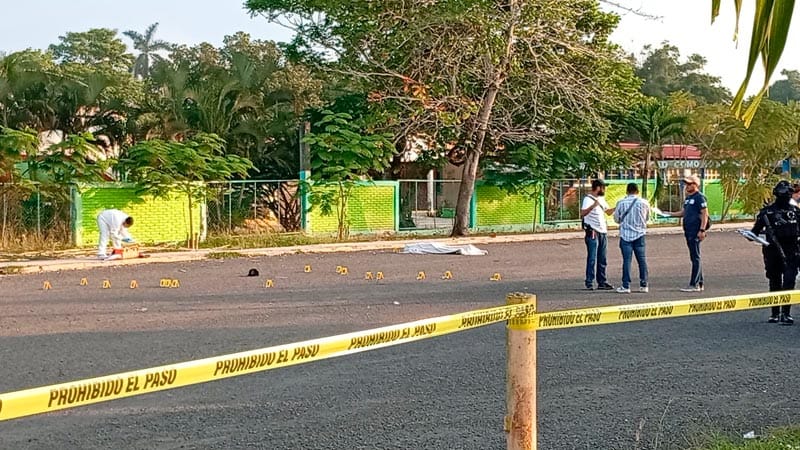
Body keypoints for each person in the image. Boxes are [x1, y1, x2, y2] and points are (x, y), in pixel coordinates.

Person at [750, 180, 800, 325]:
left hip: (792, 251)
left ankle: (786, 313)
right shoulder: (767, 213)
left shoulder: (795, 212)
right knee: (775, 281)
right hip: (773, 250)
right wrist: (755, 238)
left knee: (789, 281)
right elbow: (755, 232)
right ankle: (775, 313)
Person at [663, 175, 709, 292]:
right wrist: (668, 214)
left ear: (695, 184)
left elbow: (705, 214)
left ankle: (694, 284)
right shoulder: (688, 198)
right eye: (686, 184)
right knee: (694, 257)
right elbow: (684, 212)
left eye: (689, 184)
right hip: (688, 230)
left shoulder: (700, 197)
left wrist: (702, 230)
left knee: (696, 257)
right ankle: (700, 282)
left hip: (695, 230)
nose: (687, 186)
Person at [613, 183, 650, 294]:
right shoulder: (644, 203)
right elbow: (647, 217)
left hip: (625, 235)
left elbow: (616, 219)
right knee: (642, 260)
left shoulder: (621, 203)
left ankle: (626, 285)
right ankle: (644, 285)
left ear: (627, 191)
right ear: (637, 191)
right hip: (640, 234)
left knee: (627, 261)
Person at [580, 179, 616, 290]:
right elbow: (582, 213)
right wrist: (593, 206)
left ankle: (602, 281)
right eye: (603, 187)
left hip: (603, 232)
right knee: (592, 258)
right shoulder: (588, 199)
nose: (604, 190)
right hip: (593, 232)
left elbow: (608, 212)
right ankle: (589, 281)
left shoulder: (601, 199)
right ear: (598, 188)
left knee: (602, 258)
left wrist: (617, 207)